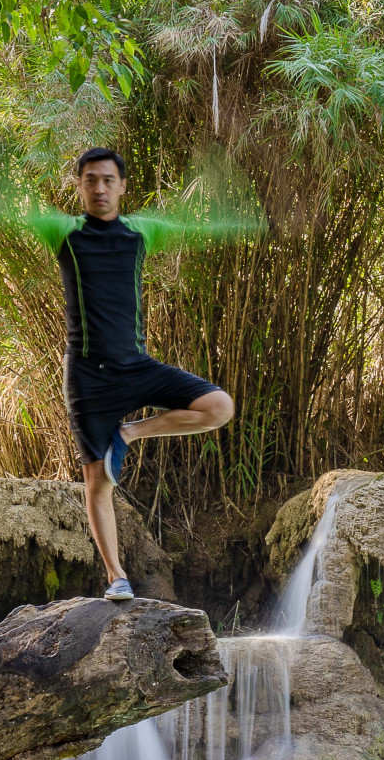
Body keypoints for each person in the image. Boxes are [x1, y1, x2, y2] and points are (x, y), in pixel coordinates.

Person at [27, 147, 235, 601]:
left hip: (138, 367)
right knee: (98, 477)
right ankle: (116, 576)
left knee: (220, 406)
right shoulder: (64, 232)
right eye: (89, 180)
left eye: (107, 180)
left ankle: (132, 432)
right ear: (79, 187)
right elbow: (14, 211)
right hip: (87, 378)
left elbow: (193, 224)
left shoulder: (142, 232)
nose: (99, 188)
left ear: (122, 186)